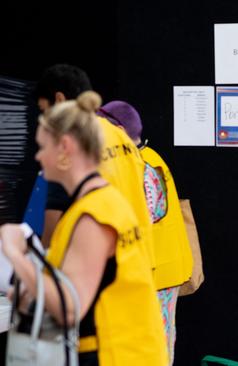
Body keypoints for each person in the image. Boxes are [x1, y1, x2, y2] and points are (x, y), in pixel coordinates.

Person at [0, 91, 168, 365]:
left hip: (114, 354)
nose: (39, 158)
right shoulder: (99, 205)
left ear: (65, 149)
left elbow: (68, 307)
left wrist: (15, 255)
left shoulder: (95, 216)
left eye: (43, 147)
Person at [97, 101, 193, 363]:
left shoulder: (138, 167)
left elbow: (134, 223)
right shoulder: (150, 156)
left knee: (151, 350)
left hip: (154, 275)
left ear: (117, 130)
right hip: (162, 270)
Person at [35, 64, 155, 268]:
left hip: (97, 271)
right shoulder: (121, 136)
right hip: (139, 260)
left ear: (60, 100)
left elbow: (53, 228)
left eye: (44, 111)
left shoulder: (70, 142)